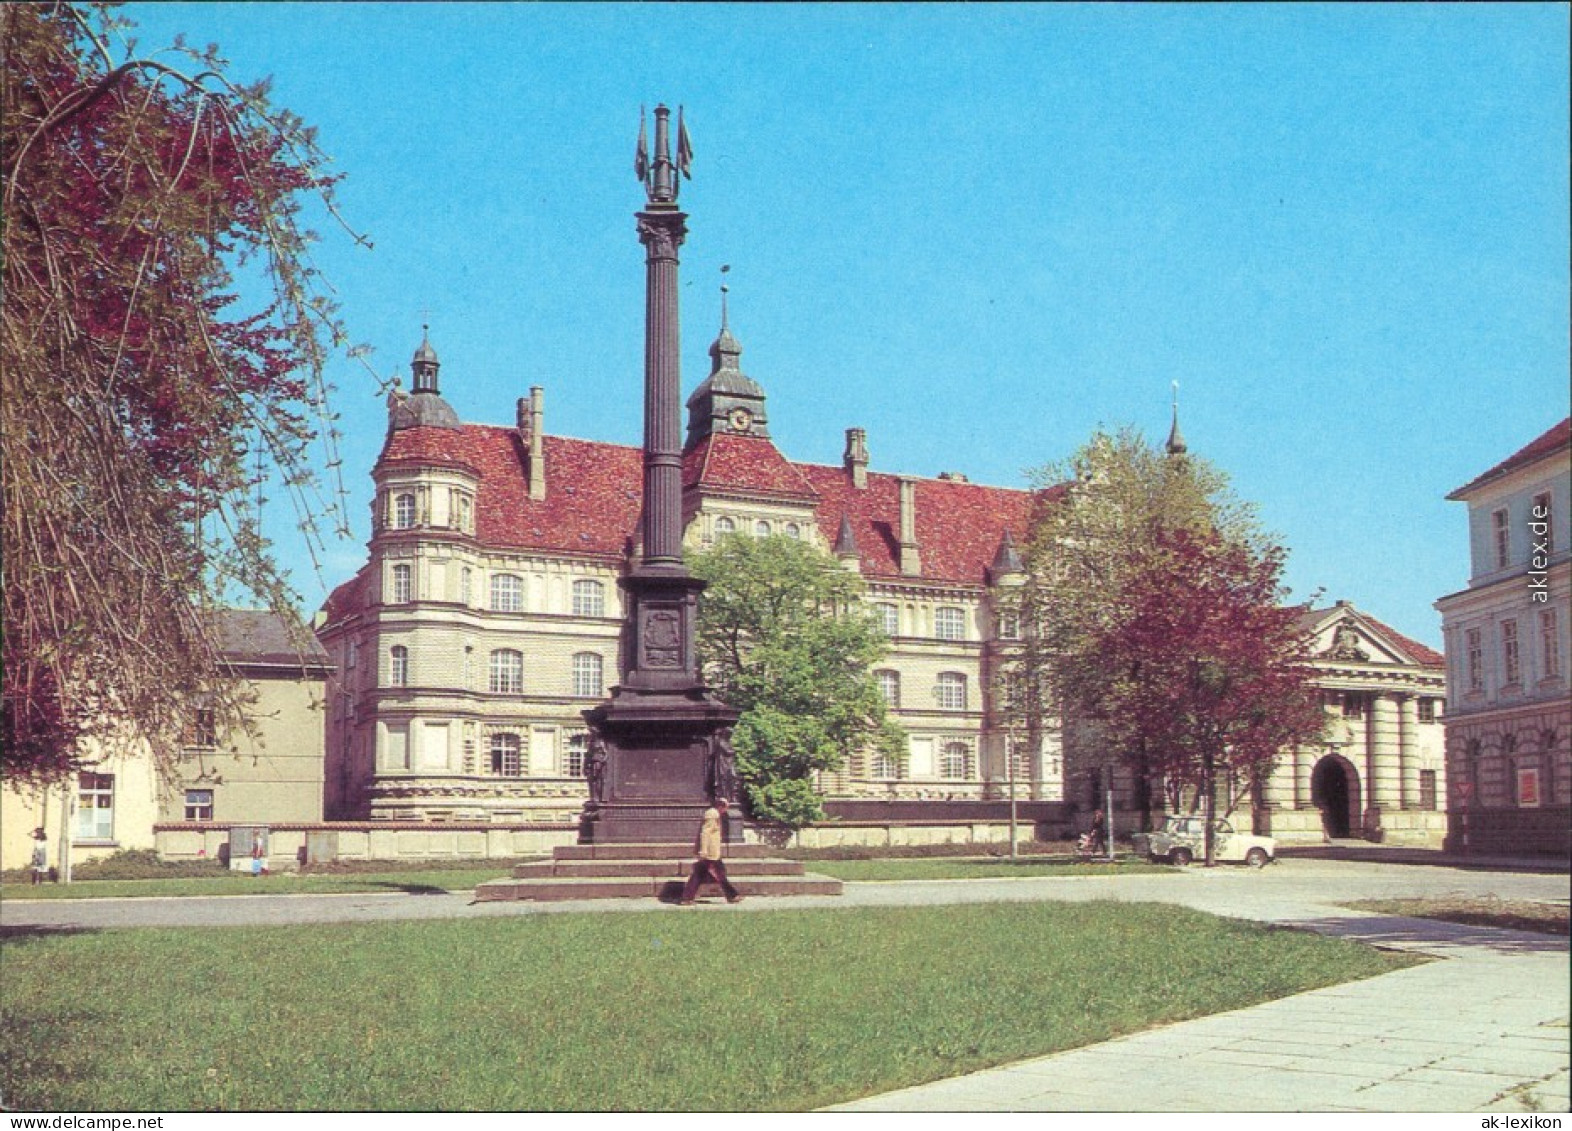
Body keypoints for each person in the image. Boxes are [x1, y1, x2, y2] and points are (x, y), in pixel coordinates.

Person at [678, 798, 742, 905]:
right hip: (710, 853)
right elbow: (705, 833)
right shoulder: (712, 814)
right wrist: (703, 850)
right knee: (714, 874)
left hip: (712, 853)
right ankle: (732, 895)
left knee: (704, 874)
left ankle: (687, 898)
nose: (726, 810)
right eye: (726, 807)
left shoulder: (714, 814)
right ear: (721, 806)